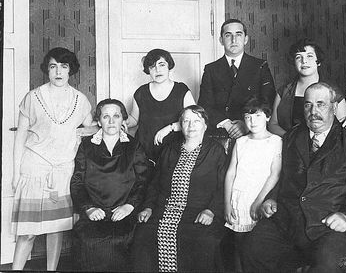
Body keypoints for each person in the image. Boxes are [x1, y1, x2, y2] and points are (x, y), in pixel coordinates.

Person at [241, 82, 346, 273]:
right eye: (308, 105)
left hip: (330, 226)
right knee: (252, 248)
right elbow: (283, 176)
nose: (314, 111)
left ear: (334, 107)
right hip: (287, 221)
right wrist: (271, 198)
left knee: (327, 266)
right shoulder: (292, 136)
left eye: (321, 104)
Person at [11, 47, 94, 270]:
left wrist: (107, 125)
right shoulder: (33, 97)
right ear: (47, 70)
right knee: (27, 233)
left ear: (71, 70)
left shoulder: (80, 99)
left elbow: (91, 128)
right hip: (33, 170)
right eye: (53, 66)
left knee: (55, 230)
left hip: (63, 172)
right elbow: (20, 137)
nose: (58, 71)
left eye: (64, 66)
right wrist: (15, 173)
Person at [131, 105, 228, 272]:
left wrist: (211, 211)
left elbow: (223, 186)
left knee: (202, 240)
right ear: (180, 125)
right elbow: (155, 183)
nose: (191, 126)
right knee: (143, 235)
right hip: (165, 209)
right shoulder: (170, 149)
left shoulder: (215, 151)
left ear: (205, 125)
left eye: (197, 121)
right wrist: (148, 207)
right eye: (186, 121)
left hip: (199, 211)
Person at [70, 99, 151, 271]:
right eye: (106, 117)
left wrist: (129, 206)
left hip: (125, 212)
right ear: (99, 121)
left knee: (127, 239)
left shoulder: (134, 145)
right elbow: (77, 182)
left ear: (123, 119)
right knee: (87, 240)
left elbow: (143, 180)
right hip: (95, 211)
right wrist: (89, 208)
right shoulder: (86, 145)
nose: (112, 121)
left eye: (116, 116)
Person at [224, 96, 282, 270]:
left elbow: (275, 174)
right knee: (237, 247)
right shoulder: (241, 142)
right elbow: (230, 172)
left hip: (259, 197)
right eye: (248, 118)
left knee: (255, 248)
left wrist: (259, 201)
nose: (252, 121)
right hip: (238, 198)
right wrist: (227, 203)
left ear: (267, 117)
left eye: (257, 116)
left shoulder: (275, 141)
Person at [198, 18, 276, 141]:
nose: (234, 40)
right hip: (220, 134)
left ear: (245, 39)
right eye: (228, 35)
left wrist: (246, 124)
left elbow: (268, 101)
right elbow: (204, 104)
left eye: (238, 34)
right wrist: (227, 124)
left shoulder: (260, 66)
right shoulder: (211, 69)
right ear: (221, 40)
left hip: (252, 131)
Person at [269, 38, 346, 137]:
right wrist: (290, 139)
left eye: (309, 56)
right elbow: (273, 124)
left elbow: (343, 124)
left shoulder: (333, 91)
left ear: (318, 62)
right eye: (298, 57)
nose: (304, 61)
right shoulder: (284, 91)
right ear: (294, 62)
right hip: (290, 146)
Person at [126, 48, 196, 162]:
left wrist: (170, 128)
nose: (157, 70)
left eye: (161, 64)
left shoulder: (181, 90)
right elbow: (134, 118)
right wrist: (121, 122)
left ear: (169, 67)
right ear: (148, 70)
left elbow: (194, 120)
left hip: (174, 153)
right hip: (144, 154)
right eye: (152, 66)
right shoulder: (141, 92)